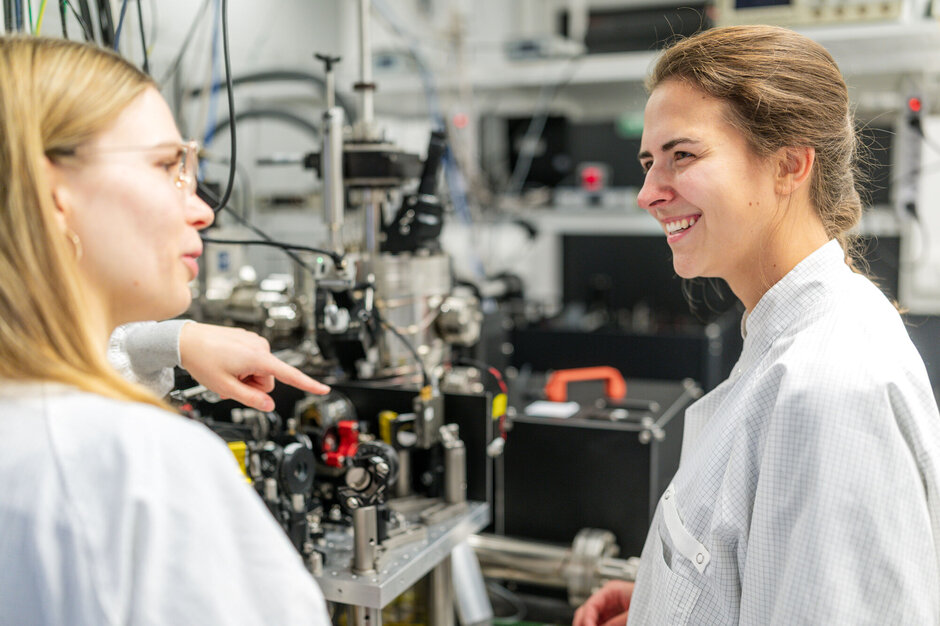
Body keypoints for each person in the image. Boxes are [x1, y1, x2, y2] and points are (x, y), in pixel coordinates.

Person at [574, 24, 940, 625]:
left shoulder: (829, 392)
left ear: (789, 165)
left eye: (682, 155)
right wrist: (658, 599)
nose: (647, 193)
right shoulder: (787, 336)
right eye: (648, 163)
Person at [0, 36, 330, 624]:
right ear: (50, 195)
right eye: (165, 165)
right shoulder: (142, 468)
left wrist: (173, 341)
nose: (202, 208)